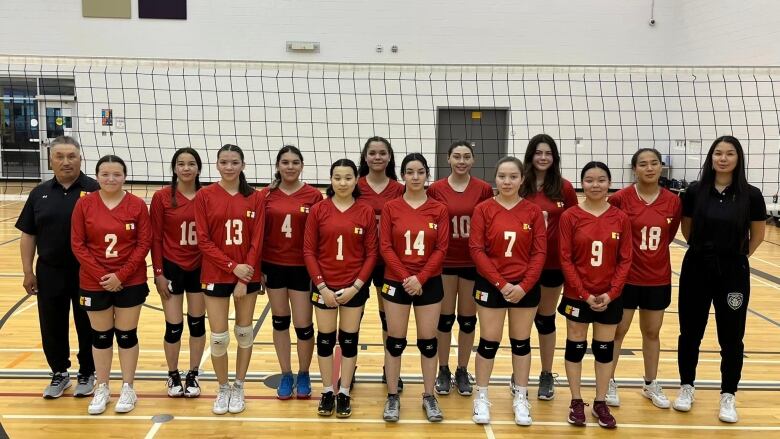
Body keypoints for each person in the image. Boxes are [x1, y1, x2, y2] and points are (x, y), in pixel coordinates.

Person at [674, 135, 766, 423]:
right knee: (690, 332)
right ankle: (686, 386)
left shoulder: (751, 195)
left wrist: (735, 258)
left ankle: (729, 394)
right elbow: (687, 230)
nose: (722, 158)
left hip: (733, 272)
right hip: (697, 268)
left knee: (731, 337)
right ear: (710, 158)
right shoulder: (694, 192)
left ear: (738, 158)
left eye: (729, 154)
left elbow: (758, 235)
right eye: (717, 153)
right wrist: (706, 253)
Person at [16, 136, 99, 399]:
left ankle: (88, 371)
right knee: (51, 324)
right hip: (50, 271)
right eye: (60, 157)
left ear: (80, 158)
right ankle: (59, 373)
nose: (66, 162)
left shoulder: (95, 189)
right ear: (51, 160)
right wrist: (28, 271)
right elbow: (28, 234)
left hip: (86, 272)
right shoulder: (39, 193)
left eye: (71, 156)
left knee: (87, 323)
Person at [71, 155, 152, 415]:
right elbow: (78, 245)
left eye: (116, 174)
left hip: (131, 280)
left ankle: (128, 386)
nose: (110, 179)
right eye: (105, 174)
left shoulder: (137, 205)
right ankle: (103, 386)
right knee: (102, 336)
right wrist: (101, 275)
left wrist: (121, 275)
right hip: (94, 282)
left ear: (125, 176)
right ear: (97, 176)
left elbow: (144, 244)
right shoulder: (84, 205)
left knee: (127, 336)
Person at [469, 156, 547, 426]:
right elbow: (477, 250)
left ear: (522, 179)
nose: (507, 181)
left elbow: (539, 252)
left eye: (513, 176)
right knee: (488, 341)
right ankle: (481, 395)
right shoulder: (483, 210)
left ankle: (521, 396)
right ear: (495, 178)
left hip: (525, 288)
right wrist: (502, 284)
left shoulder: (533, 212)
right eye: (502, 176)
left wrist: (523, 286)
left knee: (521, 342)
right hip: (492, 286)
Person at [558, 161, 632, 429]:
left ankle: (600, 402)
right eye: (589, 180)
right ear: (582, 183)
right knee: (575, 346)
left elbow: (625, 260)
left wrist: (611, 294)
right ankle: (577, 401)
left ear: (609, 183)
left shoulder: (620, 218)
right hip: (578, 296)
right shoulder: (570, 216)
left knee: (604, 350)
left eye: (601, 180)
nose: (595, 185)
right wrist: (585, 293)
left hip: (609, 296)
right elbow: (565, 259)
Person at [607, 148, 681, 409]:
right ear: (634, 169)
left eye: (654, 163)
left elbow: (669, 235)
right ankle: (608, 382)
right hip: (626, 278)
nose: (649, 168)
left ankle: (650, 383)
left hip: (657, 277)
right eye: (643, 164)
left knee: (652, 332)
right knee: (618, 331)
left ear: (661, 167)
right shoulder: (620, 199)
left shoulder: (673, 201)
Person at [194, 144, 265, 415]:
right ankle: (222, 387)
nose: (229, 167)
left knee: (244, 333)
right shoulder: (205, 196)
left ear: (243, 165)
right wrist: (232, 267)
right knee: (219, 338)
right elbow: (203, 240)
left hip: (247, 275)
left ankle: (239, 385)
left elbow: (257, 240)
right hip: (216, 273)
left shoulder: (255, 198)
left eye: (235, 162)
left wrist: (244, 276)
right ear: (217, 165)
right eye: (224, 162)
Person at [304, 159, 377, 418]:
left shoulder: (365, 211)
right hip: (324, 285)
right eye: (337, 177)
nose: (342, 182)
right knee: (324, 341)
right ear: (331, 180)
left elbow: (371, 254)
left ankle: (344, 391)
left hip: (352, 288)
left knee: (348, 341)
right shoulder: (319, 210)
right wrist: (322, 287)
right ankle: (326, 390)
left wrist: (356, 287)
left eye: (348, 178)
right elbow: (309, 251)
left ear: (356, 180)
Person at [379, 153, 449, 423]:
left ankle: (429, 396)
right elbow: (385, 246)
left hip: (428, 281)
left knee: (428, 342)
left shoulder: (438, 209)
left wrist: (420, 278)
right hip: (397, 280)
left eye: (420, 172)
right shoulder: (391, 207)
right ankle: (393, 396)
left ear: (427, 175)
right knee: (395, 342)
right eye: (410, 172)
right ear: (403, 176)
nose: (416, 177)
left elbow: (441, 248)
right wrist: (406, 276)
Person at [427, 141, 494, 397]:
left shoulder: (484, 189)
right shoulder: (436, 189)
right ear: (448, 159)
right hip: (444, 262)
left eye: (467, 157)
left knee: (467, 321)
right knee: (444, 321)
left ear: (473, 160)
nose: (462, 161)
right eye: (457, 156)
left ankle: (462, 369)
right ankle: (443, 369)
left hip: (471, 262)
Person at [519, 134, 578, 400]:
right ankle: (518, 375)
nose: (543, 157)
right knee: (522, 322)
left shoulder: (564, 188)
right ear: (531, 155)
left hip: (553, 263)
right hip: (522, 262)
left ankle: (545, 373)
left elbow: (575, 222)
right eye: (538, 153)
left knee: (545, 319)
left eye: (548, 153)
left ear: (554, 158)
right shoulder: (520, 185)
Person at [262, 145, 323, 400]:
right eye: (285, 162)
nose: (290, 167)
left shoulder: (313, 196)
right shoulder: (265, 195)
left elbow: (319, 236)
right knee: (280, 321)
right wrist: (259, 269)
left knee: (303, 325)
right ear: (278, 166)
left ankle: (304, 372)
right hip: (273, 266)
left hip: (301, 268)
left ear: (302, 166)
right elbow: (258, 234)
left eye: (295, 162)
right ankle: (286, 373)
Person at [150, 147, 206, 398]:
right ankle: (172, 374)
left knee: (197, 324)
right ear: (174, 168)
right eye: (181, 164)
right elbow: (156, 238)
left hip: (200, 266)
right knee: (174, 326)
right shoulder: (162, 197)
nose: (186, 168)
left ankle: (193, 373)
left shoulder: (207, 195)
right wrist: (158, 272)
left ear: (198, 168)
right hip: (171, 265)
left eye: (191, 163)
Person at [356, 136, 404, 390]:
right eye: (372, 153)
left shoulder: (399, 189)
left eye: (382, 153)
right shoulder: (355, 186)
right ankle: (348, 368)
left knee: (389, 319)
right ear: (365, 157)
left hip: (389, 262)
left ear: (389, 157)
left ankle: (390, 367)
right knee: (354, 316)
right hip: (359, 260)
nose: (377, 157)